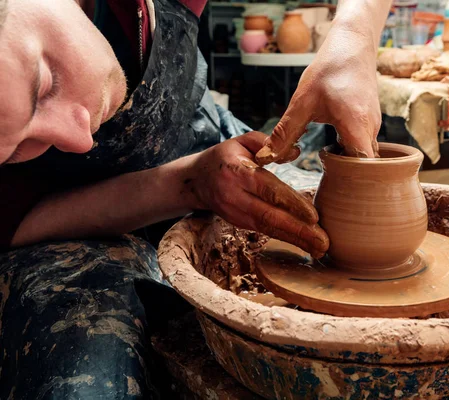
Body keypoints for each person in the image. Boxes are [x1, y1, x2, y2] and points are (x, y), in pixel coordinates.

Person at [0, 0, 391, 397]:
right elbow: (15, 218)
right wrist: (188, 185)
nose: (79, 139)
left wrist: (353, 38)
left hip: (205, 145)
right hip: (69, 223)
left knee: (327, 222)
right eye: (14, 149)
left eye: (44, 86)